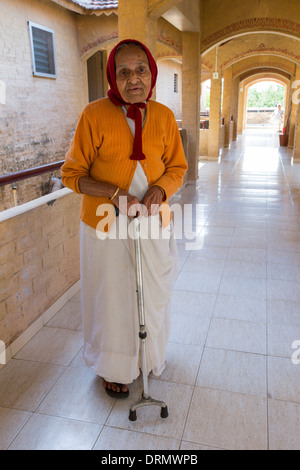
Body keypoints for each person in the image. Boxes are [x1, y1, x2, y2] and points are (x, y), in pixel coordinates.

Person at [61, 39, 187, 398]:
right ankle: (113, 366)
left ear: (152, 73)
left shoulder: (163, 117)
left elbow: (177, 167)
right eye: (124, 72)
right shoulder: (93, 114)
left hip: (151, 221)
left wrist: (160, 190)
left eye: (141, 69)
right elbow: (72, 174)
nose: (134, 79)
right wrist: (115, 195)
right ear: (113, 78)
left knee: (149, 293)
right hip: (105, 224)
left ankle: (148, 357)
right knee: (113, 296)